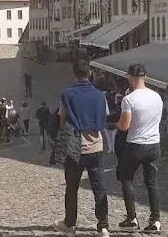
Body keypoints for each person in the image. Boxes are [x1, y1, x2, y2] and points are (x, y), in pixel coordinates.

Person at [52, 62, 110, 237]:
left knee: (72, 187)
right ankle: (103, 226)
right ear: (90, 73)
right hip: (96, 146)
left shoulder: (67, 94)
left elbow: (62, 119)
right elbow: (104, 115)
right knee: (99, 187)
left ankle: (69, 224)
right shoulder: (100, 95)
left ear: (74, 74)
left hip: (74, 147)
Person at [117, 63, 163, 233]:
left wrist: (117, 123)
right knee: (152, 182)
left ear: (131, 77)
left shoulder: (129, 99)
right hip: (154, 144)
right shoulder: (157, 97)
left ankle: (132, 218)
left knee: (127, 178)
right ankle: (155, 220)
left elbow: (124, 125)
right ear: (145, 76)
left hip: (136, 145)